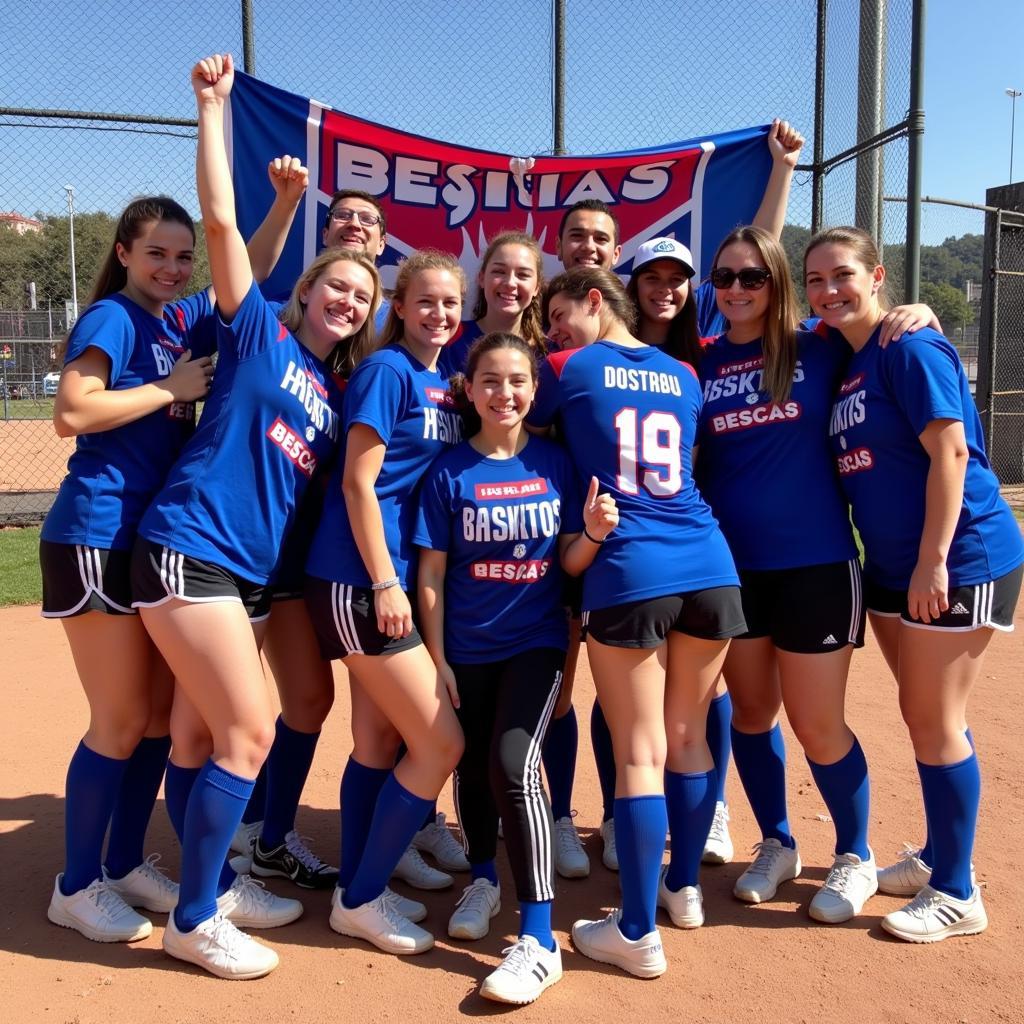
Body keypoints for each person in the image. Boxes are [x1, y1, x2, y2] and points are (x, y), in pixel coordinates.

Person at [130, 53, 380, 980]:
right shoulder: (256, 332)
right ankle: (196, 915)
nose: (346, 300)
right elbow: (226, 225)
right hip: (187, 546)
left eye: (361, 297)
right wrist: (211, 108)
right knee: (251, 731)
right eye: (335, 286)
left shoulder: (330, 382)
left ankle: (210, 883)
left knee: (200, 737)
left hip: (236, 571)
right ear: (306, 291)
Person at [545, 118, 804, 876]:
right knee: (643, 707)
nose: (667, 289)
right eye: (651, 279)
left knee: (683, 707)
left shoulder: (704, 347)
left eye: (680, 280)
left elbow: (759, 263)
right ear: (626, 288)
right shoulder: (660, 366)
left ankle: (699, 815)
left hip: (652, 544)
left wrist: (780, 174)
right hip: (663, 544)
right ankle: (655, 845)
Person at [805, 226, 1024, 942]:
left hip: (958, 557)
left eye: (843, 274)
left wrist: (934, 560)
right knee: (920, 713)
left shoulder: (910, 347)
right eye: (816, 279)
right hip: (895, 566)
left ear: (876, 275)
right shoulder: (852, 353)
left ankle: (958, 892)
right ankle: (937, 857)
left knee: (937, 721)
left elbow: (952, 452)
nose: (829, 290)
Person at [532, 267, 744, 978]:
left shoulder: (567, 366)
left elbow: (523, 430)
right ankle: (683, 889)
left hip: (631, 565)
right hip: (710, 561)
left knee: (640, 753)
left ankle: (636, 931)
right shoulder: (683, 373)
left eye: (563, 314)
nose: (555, 332)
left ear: (598, 301)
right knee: (688, 739)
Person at [416, 332, 617, 1003]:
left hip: (535, 643)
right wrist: (438, 657)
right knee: (470, 767)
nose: (506, 393)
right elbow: (434, 574)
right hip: (465, 649)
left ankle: (538, 937)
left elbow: (568, 565)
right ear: (468, 390)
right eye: (492, 381)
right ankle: (482, 874)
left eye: (518, 381)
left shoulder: (557, 462)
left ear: (535, 391)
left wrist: (590, 533)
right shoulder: (448, 471)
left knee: (512, 764)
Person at [40, 195, 216, 946]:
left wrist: (280, 206)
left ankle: (120, 862)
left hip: (141, 537)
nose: (171, 269)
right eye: (157, 254)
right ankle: (75, 888)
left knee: (149, 723)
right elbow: (72, 412)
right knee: (117, 722)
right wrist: (170, 390)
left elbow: (258, 270)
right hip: (97, 531)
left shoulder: (174, 321)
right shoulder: (114, 316)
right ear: (123, 253)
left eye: (183, 256)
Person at [695, 225, 877, 922]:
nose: (737, 288)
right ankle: (777, 840)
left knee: (818, 722)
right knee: (752, 713)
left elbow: (876, 324)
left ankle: (854, 854)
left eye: (753, 277)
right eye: (726, 278)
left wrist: (911, 315)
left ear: (777, 284)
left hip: (818, 564)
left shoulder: (818, 345)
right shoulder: (701, 359)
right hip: (736, 570)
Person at [304, 248, 467, 956]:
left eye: (449, 304)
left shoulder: (439, 383)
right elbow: (357, 484)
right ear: (398, 308)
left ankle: (376, 861)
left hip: (389, 576)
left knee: (377, 741)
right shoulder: (385, 370)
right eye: (424, 301)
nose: (438, 314)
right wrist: (383, 581)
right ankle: (360, 897)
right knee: (441, 741)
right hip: (360, 578)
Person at [436, 231, 546, 380]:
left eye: (523, 275)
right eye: (499, 271)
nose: (510, 283)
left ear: (537, 287)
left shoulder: (547, 351)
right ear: (481, 278)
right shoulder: (448, 337)